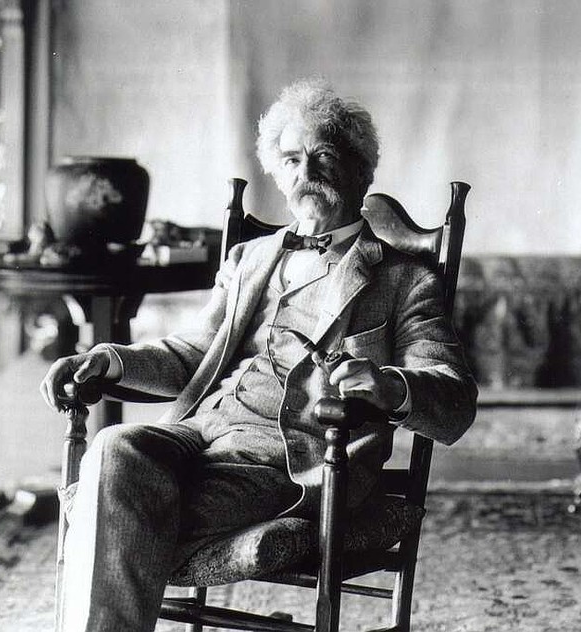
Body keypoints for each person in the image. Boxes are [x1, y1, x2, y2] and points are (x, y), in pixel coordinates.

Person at [40, 78, 477, 632]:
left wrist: (389, 384)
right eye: (292, 159)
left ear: (361, 170)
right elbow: (196, 352)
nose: (307, 174)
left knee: (119, 504)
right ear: (276, 171)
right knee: (116, 447)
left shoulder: (402, 280)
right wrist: (110, 361)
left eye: (324, 156)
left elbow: (454, 399)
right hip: (199, 431)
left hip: (294, 459)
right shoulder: (250, 258)